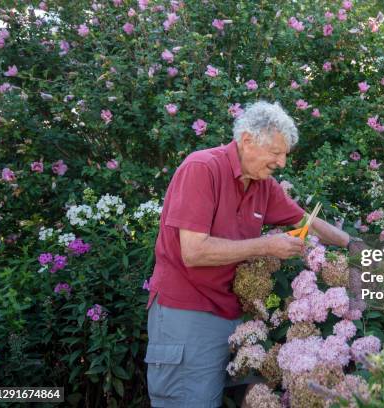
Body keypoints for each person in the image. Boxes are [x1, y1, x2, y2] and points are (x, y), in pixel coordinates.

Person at [144, 101, 358, 408]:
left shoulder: (262, 185)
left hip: (233, 311)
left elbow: (306, 222)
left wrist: (354, 244)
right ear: (247, 140)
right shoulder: (202, 169)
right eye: (276, 152)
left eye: (285, 154)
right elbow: (193, 251)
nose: (282, 162)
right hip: (187, 312)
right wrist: (266, 246)